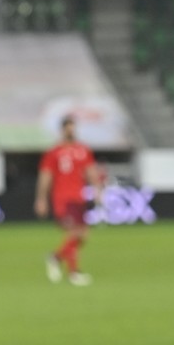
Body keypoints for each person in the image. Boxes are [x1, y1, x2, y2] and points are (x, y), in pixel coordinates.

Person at [34, 115, 104, 286]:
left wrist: (97, 189)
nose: (71, 131)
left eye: (73, 127)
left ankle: (56, 257)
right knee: (74, 233)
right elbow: (46, 176)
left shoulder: (83, 150)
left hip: (78, 197)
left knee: (83, 235)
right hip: (62, 198)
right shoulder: (53, 152)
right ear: (63, 129)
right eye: (68, 128)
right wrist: (41, 198)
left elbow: (90, 170)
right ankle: (74, 273)